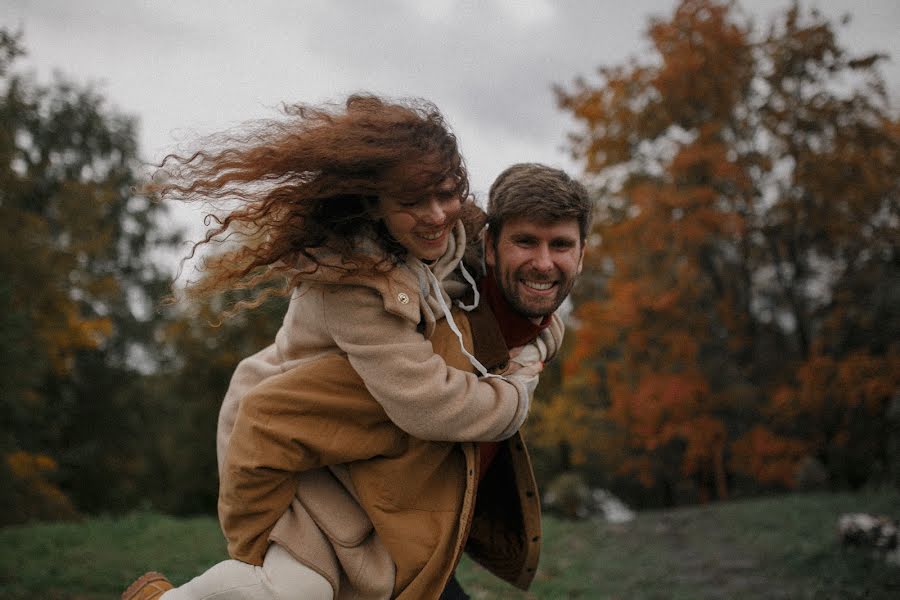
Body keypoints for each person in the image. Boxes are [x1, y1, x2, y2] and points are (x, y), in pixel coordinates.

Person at [121, 97, 551, 600]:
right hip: (294, 449)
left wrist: (542, 334)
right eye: (412, 202)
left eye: (447, 192)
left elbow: (529, 296)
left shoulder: (455, 240)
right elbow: (431, 404)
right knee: (297, 589)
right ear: (373, 205)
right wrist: (517, 391)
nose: (437, 214)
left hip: (363, 459)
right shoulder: (346, 283)